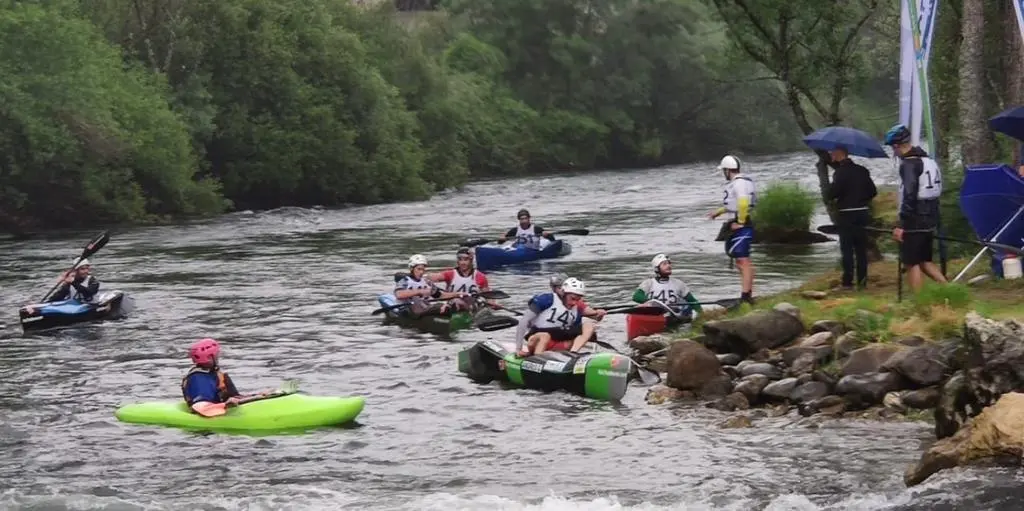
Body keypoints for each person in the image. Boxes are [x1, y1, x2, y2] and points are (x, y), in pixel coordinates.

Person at [884, 124, 948, 292]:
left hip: (916, 217)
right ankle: (951, 290)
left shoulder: (909, 164)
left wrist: (901, 224)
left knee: (911, 262)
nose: (894, 152)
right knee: (925, 260)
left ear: (897, 146)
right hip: (931, 214)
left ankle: (919, 302)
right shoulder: (928, 160)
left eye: (893, 148)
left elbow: (910, 195)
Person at [821, 147, 878, 290]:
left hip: (847, 213)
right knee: (860, 249)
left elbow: (832, 194)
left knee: (847, 248)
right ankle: (862, 281)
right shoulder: (862, 170)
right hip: (862, 212)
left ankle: (847, 282)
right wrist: (862, 200)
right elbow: (873, 191)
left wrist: (830, 192)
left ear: (839, 154)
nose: (830, 155)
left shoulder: (840, 173)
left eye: (832, 153)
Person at [707, 155, 756, 304]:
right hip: (738, 221)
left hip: (742, 223)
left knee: (743, 261)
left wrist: (740, 222)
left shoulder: (739, 183)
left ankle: (746, 296)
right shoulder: (742, 182)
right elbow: (734, 204)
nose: (724, 174)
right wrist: (719, 211)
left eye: (724, 171)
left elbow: (742, 203)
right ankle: (747, 293)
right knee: (740, 261)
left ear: (728, 170)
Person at [515, 277, 599, 356]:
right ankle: (538, 359)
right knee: (544, 336)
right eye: (572, 298)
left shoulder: (577, 309)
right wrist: (518, 348)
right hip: (537, 340)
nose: (574, 303)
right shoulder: (546, 299)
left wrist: (597, 315)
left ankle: (573, 354)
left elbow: (576, 332)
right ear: (564, 294)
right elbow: (523, 321)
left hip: (559, 343)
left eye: (577, 300)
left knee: (589, 325)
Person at [631, 254, 702, 321]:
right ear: (656, 268)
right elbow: (636, 296)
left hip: (673, 314)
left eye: (669, 263)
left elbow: (692, 300)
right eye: (664, 264)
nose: (668, 266)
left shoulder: (679, 283)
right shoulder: (649, 283)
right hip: (654, 312)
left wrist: (701, 314)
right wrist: (649, 302)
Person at [181, 338, 242, 414]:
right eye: (216, 355)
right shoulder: (199, 379)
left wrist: (257, 396)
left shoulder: (214, 374)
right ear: (209, 357)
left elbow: (236, 397)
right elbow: (201, 406)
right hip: (208, 414)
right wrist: (225, 405)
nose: (218, 357)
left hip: (220, 407)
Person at [394, 254, 468, 316]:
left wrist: (457, 294)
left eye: (423, 269)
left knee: (454, 301)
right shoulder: (405, 280)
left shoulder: (426, 282)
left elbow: (440, 295)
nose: (421, 272)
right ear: (411, 269)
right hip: (408, 310)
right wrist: (420, 291)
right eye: (419, 269)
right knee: (436, 306)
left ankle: (451, 308)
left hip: (423, 308)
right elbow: (399, 294)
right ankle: (444, 309)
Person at [428, 247, 491, 312]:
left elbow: (489, 297)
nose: (462, 263)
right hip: (451, 303)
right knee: (454, 302)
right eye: (460, 260)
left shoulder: (481, 277)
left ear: (471, 260)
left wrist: (492, 305)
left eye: (466, 260)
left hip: (470, 305)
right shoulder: (450, 274)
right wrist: (430, 278)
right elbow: (431, 277)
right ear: (458, 261)